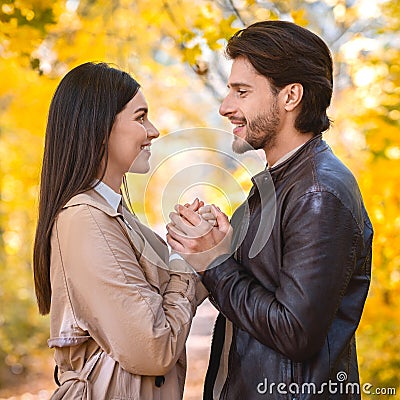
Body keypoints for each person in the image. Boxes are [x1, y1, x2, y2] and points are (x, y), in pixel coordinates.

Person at [167, 20, 373, 399]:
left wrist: (215, 261)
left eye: (241, 92)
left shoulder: (318, 193)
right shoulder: (278, 183)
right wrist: (221, 242)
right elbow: (256, 292)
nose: (225, 107)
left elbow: (294, 332)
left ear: (291, 96)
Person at [33, 62, 206, 399]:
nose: (153, 131)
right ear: (99, 129)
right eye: (140, 117)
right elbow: (153, 349)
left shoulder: (115, 216)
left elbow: (181, 295)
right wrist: (185, 259)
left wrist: (200, 241)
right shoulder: (84, 219)